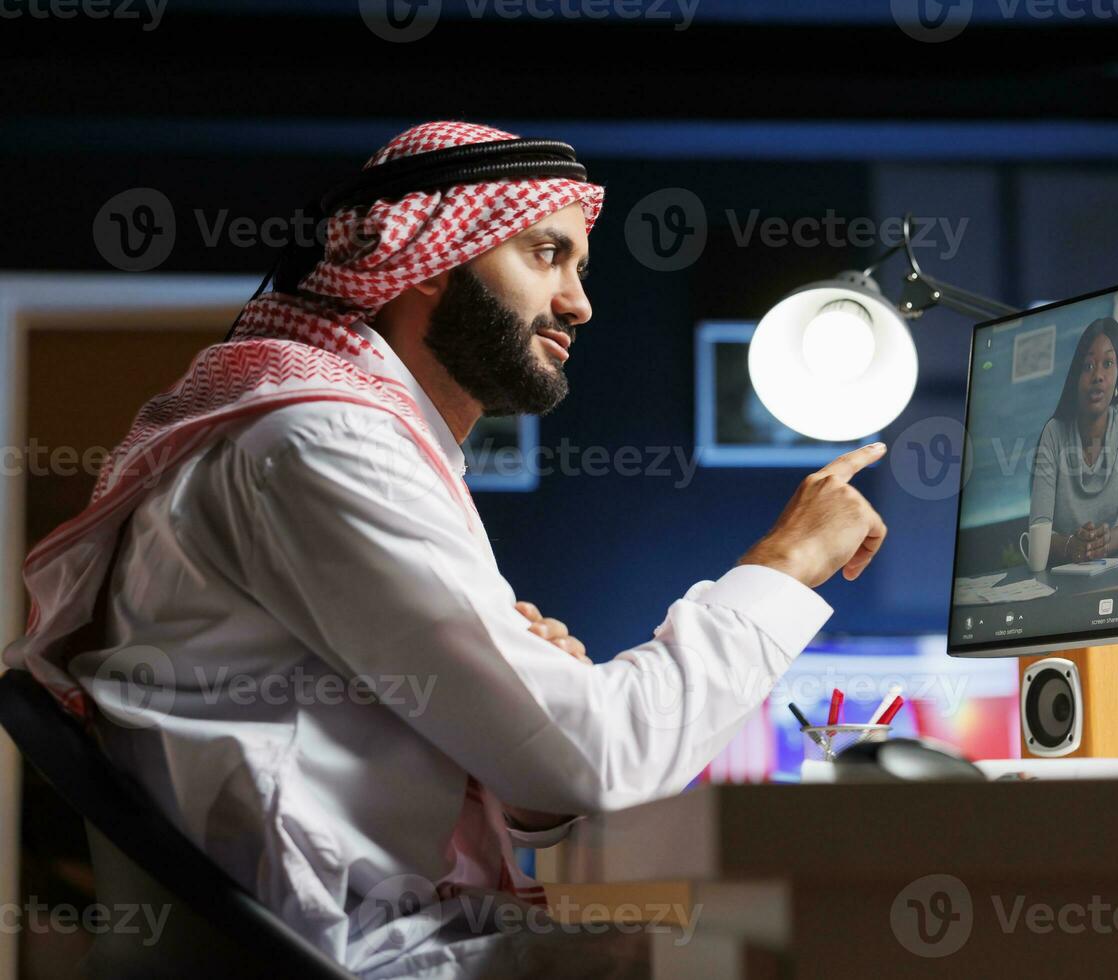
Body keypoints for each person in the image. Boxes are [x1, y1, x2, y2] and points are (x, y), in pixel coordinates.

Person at [3, 122, 889, 979]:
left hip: (350, 933)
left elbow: (552, 772)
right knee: (792, 952)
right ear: (425, 261)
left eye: (579, 267)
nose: (580, 302)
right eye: (547, 255)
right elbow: (605, 758)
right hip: (343, 952)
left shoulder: (356, 443)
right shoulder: (320, 445)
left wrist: (531, 754)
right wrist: (783, 565)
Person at [1029, 316, 1118, 565]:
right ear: (1076, 378)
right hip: (1061, 575)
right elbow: (1039, 528)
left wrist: (1103, 543)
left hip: (1109, 570)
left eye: (1108, 363)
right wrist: (1073, 546)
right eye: (1088, 366)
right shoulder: (1054, 432)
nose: (1098, 376)